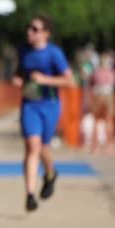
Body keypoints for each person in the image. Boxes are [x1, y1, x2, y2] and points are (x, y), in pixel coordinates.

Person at [12, 13, 75, 212]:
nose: (29, 32)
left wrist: (45, 80)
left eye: (35, 29)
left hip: (50, 105)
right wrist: (17, 79)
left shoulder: (54, 53)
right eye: (29, 27)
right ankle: (30, 194)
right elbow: (20, 72)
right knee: (32, 145)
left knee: (43, 146)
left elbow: (70, 81)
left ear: (46, 33)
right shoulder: (24, 51)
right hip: (29, 105)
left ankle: (51, 173)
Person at [91, 52, 115, 153]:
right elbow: (113, 83)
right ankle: (109, 146)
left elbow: (93, 82)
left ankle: (95, 146)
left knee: (96, 121)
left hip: (98, 95)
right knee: (109, 121)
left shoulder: (97, 72)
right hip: (109, 95)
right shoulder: (111, 73)